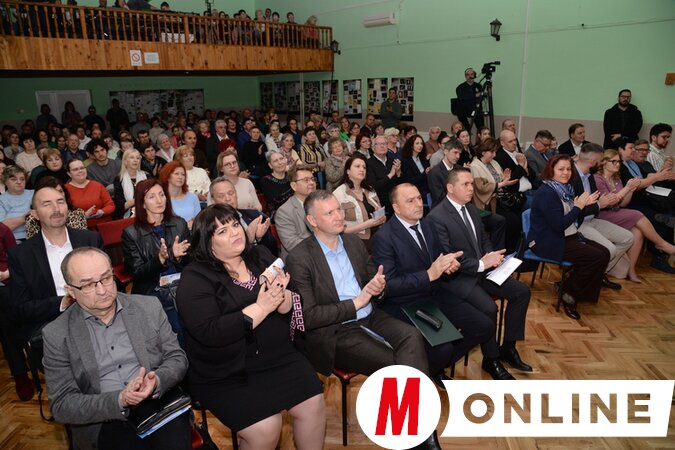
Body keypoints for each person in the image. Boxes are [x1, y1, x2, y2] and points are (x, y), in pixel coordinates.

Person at [286, 190, 443, 449]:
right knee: (398, 366)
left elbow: (373, 280)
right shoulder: (299, 258)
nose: (339, 216)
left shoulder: (353, 243)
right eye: (330, 213)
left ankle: (413, 430)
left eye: (339, 209)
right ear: (312, 221)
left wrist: (379, 287)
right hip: (336, 331)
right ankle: (419, 435)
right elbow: (310, 317)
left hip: (371, 315)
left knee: (413, 336)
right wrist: (355, 303)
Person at [176, 204, 325, 448]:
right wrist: (261, 307)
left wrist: (281, 298)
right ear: (207, 243)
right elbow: (210, 332)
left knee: (313, 403)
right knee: (266, 428)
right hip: (228, 371)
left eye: (235, 225)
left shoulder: (260, 255)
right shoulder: (195, 278)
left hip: (279, 357)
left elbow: (293, 299)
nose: (235, 232)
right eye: (222, 231)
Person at [42, 247, 191, 450]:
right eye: (88, 285)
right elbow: (62, 404)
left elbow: (177, 358)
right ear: (71, 291)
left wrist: (156, 381)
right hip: (104, 417)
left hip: (158, 402)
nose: (102, 290)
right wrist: (120, 399)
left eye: (106, 278)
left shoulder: (148, 307)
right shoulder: (57, 334)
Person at [372, 183, 503, 384]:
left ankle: (432, 367)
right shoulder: (384, 237)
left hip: (436, 292)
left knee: (484, 326)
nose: (418, 204)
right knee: (444, 347)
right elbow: (389, 285)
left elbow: (438, 259)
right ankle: (429, 369)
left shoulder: (427, 224)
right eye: (410, 201)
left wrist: (449, 266)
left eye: (418, 198)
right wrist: (428, 275)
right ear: (396, 208)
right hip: (407, 302)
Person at [427, 168, 531, 378]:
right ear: (450, 188)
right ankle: (491, 359)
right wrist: (482, 264)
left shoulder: (472, 209)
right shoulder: (436, 217)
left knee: (522, 292)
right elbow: (448, 257)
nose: (470, 188)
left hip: (482, 271)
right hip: (458, 278)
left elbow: (483, 239)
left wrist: (493, 256)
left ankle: (508, 347)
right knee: (489, 309)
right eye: (465, 184)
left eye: (472, 184)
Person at [7, 186, 103, 401]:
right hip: (53, 323)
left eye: (60, 202)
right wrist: (63, 302)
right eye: (47, 204)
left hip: (97, 313)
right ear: (34, 213)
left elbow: (109, 282)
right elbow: (20, 309)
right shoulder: (21, 255)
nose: (56, 208)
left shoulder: (90, 240)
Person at [527, 155, 610, 319]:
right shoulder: (547, 193)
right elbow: (559, 224)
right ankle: (568, 294)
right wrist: (578, 207)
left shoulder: (565, 189)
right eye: (561, 169)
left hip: (566, 235)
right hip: (548, 241)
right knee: (596, 257)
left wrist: (584, 205)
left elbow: (570, 215)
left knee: (605, 253)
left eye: (568, 169)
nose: (565, 173)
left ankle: (575, 290)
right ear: (551, 170)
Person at [122, 179, 190, 337]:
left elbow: (193, 262)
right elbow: (137, 274)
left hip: (182, 283)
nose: (159, 200)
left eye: (162, 195)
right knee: (175, 326)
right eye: (152, 197)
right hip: (154, 289)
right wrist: (159, 260)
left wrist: (179, 258)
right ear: (142, 204)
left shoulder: (179, 224)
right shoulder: (131, 233)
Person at [594, 149, 675, 282]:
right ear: (603, 163)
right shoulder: (597, 179)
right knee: (637, 214)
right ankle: (662, 244)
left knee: (637, 232)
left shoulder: (616, 178)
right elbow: (610, 203)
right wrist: (627, 188)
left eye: (619, 161)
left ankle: (631, 270)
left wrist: (630, 190)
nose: (617, 164)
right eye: (613, 161)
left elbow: (623, 203)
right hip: (601, 214)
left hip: (616, 212)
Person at [570, 143, 634, 288]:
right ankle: (587, 276)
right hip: (577, 223)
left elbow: (596, 202)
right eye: (600, 161)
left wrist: (604, 202)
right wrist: (600, 204)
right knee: (610, 249)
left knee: (628, 237)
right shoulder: (571, 176)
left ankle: (597, 274)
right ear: (593, 162)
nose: (601, 164)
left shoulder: (588, 176)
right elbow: (572, 211)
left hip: (592, 219)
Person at [332, 156, 385, 248]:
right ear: (348, 171)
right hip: (354, 241)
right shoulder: (338, 194)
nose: (362, 169)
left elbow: (382, 216)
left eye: (364, 167)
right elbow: (340, 229)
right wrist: (366, 225)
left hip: (378, 235)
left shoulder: (370, 190)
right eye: (357, 166)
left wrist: (381, 218)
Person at [275, 167, 316, 259]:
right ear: (294, 186)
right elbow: (292, 244)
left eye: (312, 179)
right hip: (300, 259)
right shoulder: (284, 212)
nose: (311, 183)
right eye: (306, 180)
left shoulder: (321, 203)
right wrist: (322, 245)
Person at [65, 159, 115, 228]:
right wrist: (84, 215)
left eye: (82, 168)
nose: (80, 171)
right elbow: (65, 215)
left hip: (104, 225)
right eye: (75, 169)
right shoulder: (65, 190)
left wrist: (102, 211)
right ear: (69, 174)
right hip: (81, 228)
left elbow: (110, 205)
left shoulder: (97, 185)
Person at [366, 135, 402, 215]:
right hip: (380, 200)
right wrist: (390, 175)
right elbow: (373, 187)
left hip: (395, 196)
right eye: (379, 144)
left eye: (384, 144)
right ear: (373, 148)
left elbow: (399, 183)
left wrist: (398, 173)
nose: (382, 146)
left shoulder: (393, 161)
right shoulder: (369, 163)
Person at [158, 161, 200, 227]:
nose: (180, 177)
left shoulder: (193, 197)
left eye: (183, 174)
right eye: (176, 174)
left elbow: (199, 220)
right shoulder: (161, 199)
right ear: (167, 176)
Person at [0, 166, 34, 241]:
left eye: (22, 179)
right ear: (5, 181)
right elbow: (1, 228)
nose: (19, 182)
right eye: (13, 179)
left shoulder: (34, 193)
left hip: (37, 236)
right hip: (12, 238)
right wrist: (26, 217)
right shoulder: (1, 200)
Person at [113, 149, 148, 219]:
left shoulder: (147, 176)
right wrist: (139, 199)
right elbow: (120, 207)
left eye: (137, 158)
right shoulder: (119, 179)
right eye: (132, 157)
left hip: (147, 211)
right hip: (128, 214)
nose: (135, 160)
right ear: (125, 161)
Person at [428, 137, 463, 207]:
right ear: (445, 151)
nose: (458, 156)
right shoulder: (434, 173)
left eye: (459, 153)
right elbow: (439, 198)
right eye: (455, 152)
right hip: (442, 208)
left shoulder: (459, 169)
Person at [259, 150, 292, 220]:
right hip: (278, 214)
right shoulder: (266, 180)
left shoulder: (291, 176)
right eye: (275, 161)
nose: (280, 162)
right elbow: (278, 201)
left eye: (281, 159)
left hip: (294, 209)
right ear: (270, 165)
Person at [455, 68, 483, 132]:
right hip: (464, 110)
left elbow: (481, 97)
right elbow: (462, 97)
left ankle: (481, 135)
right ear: (465, 76)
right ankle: (467, 132)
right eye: (468, 75)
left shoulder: (478, 86)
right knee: (465, 128)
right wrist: (474, 95)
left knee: (481, 128)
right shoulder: (460, 87)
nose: (470, 76)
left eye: (472, 74)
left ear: (474, 75)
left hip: (476, 109)